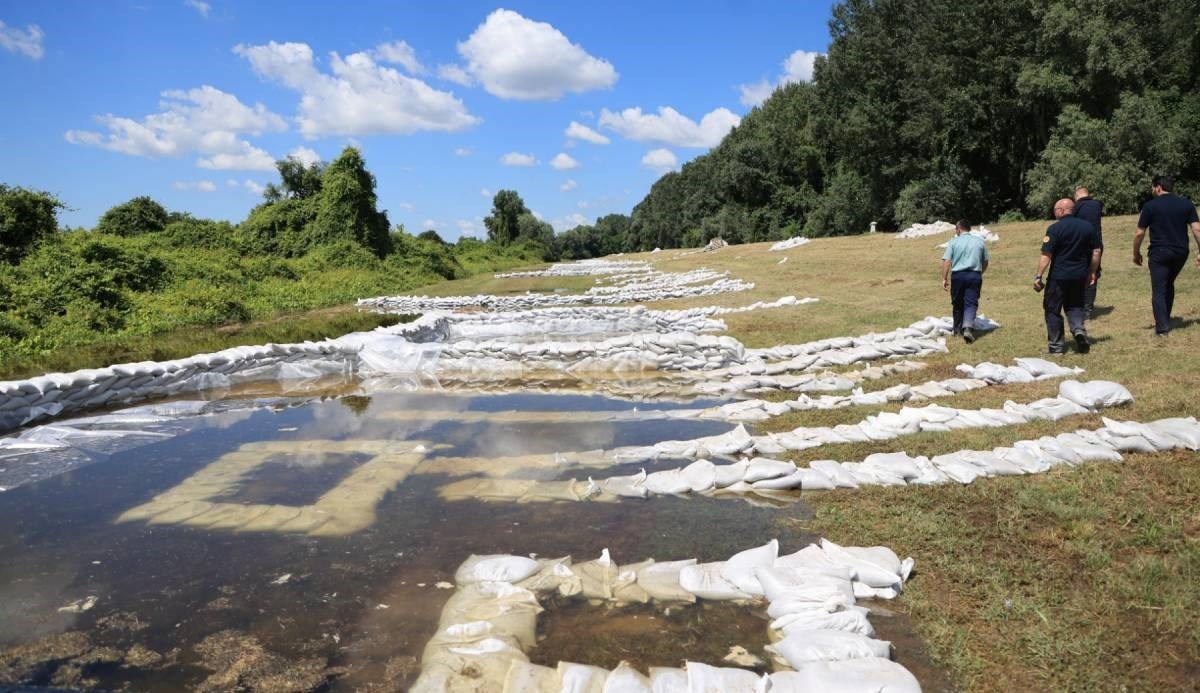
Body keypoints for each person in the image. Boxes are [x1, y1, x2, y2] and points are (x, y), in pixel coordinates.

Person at [1132, 175, 1200, 337]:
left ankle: (1162, 329)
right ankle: (1165, 318)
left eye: (1152, 187)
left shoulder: (1150, 206)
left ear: (1158, 187)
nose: (1152, 190)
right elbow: (1197, 230)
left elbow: (1139, 233)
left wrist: (1136, 253)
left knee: (1159, 289)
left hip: (1159, 252)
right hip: (1181, 252)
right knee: (1168, 283)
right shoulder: (1186, 204)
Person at [1034, 199, 1101, 354]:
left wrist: (1038, 276)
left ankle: (1056, 346)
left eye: (1055, 209)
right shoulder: (1088, 227)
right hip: (1079, 276)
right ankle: (1079, 330)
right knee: (1075, 305)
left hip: (1059, 276)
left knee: (1052, 309)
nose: (1054, 212)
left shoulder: (1054, 229)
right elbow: (1096, 251)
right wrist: (1092, 272)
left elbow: (1046, 254)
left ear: (1061, 211)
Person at [941, 219, 989, 343]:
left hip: (957, 275)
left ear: (958, 229)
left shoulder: (953, 242)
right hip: (974, 275)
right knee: (971, 302)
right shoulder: (979, 242)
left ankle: (957, 330)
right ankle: (967, 327)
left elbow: (947, 261)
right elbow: (985, 261)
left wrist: (944, 278)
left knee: (957, 303)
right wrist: (979, 272)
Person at [1073, 185, 1103, 317]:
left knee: (1078, 273)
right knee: (1093, 274)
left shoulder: (1076, 207)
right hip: (1097, 244)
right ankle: (1088, 309)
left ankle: (1078, 305)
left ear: (1077, 195)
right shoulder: (1097, 204)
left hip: (1080, 245)